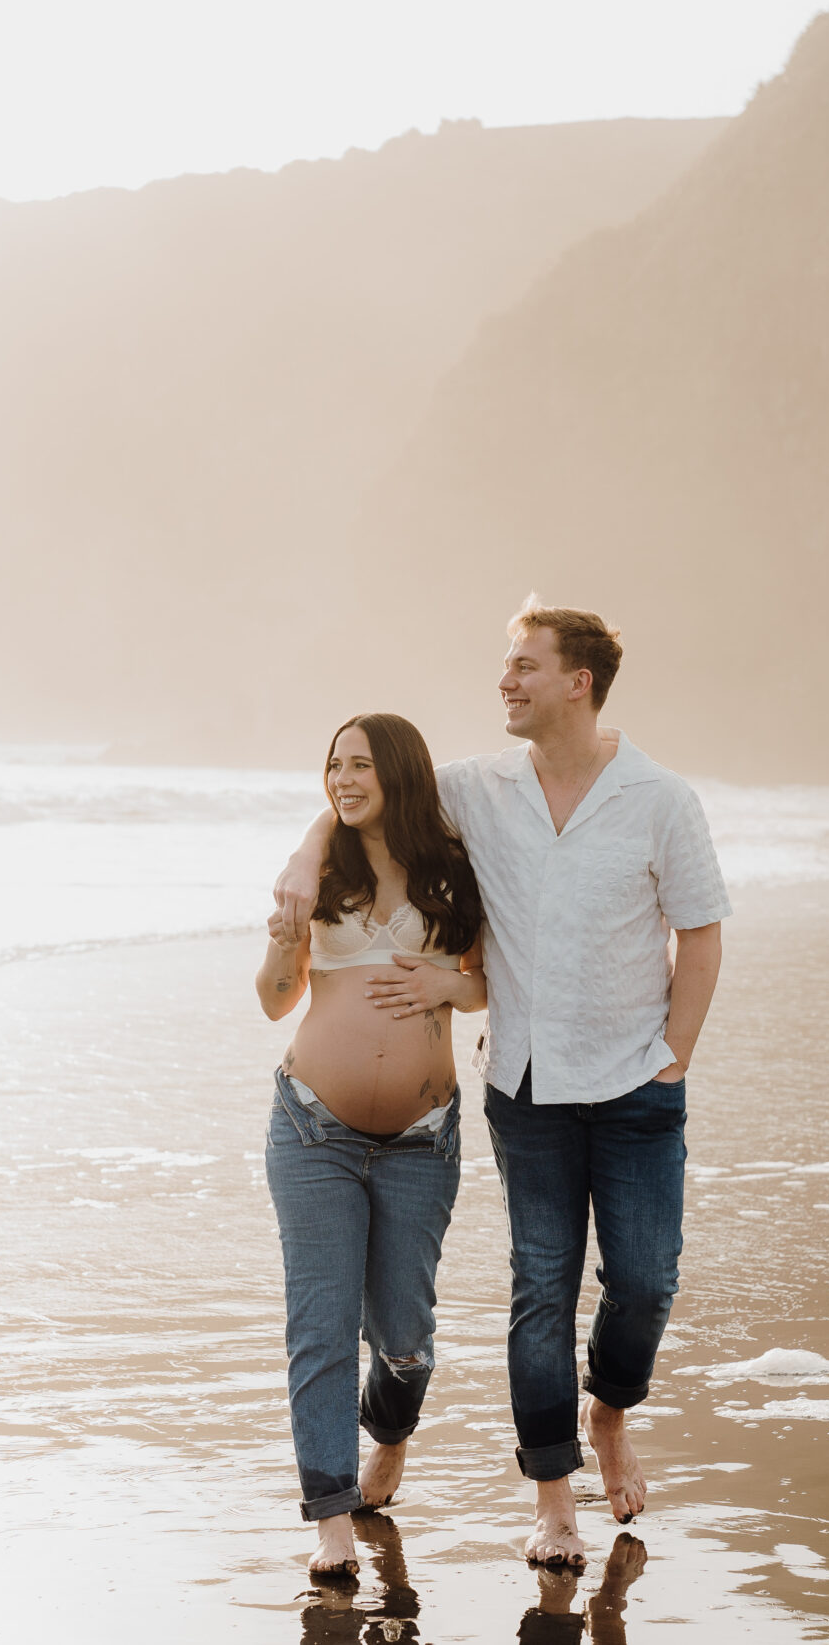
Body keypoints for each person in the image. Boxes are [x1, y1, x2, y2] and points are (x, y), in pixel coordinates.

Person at [270, 600, 729, 1568]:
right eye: (503, 668)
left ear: (579, 681)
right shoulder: (476, 789)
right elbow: (366, 785)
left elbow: (700, 929)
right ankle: (551, 1504)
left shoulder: (659, 797)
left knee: (644, 1285)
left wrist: (675, 1050)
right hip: (524, 1086)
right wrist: (308, 852)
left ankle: (610, 1415)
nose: (505, 683)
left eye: (524, 667)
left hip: (638, 1084)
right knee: (540, 1292)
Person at [257, 712, 488, 1577]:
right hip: (312, 1125)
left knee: (404, 1334)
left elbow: (487, 984)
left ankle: (388, 1429)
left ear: (397, 770)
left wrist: (447, 979)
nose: (342, 780)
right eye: (332, 767)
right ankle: (331, 1518)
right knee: (319, 1326)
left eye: (359, 765)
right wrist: (285, 941)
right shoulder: (322, 871)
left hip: (421, 1141)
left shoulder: (454, 869)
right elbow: (275, 999)